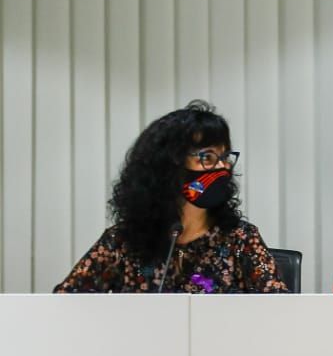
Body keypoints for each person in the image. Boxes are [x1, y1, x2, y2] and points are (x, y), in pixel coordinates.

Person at [55, 101, 288, 293]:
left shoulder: (241, 239)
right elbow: (66, 302)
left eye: (224, 156)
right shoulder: (122, 242)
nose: (222, 167)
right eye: (207, 157)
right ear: (169, 166)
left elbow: (278, 309)